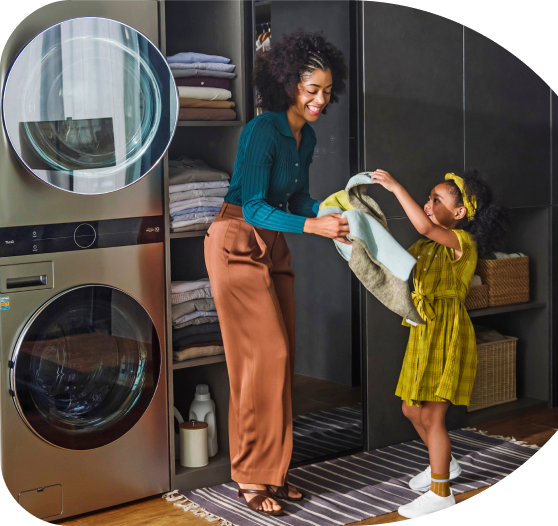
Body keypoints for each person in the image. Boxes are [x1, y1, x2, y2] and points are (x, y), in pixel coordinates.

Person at [204, 30, 349, 516]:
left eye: (327, 91)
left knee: (281, 360)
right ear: (289, 83)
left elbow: (297, 198)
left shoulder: (305, 137)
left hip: (273, 244)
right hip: (235, 240)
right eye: (311, 90)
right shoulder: (263, 130)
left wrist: (335, 211)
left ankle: (276, 473)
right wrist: (315, 226)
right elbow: (255, 207)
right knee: (262, 358)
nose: (319, 100)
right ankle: (250, 476)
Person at [369, 168, 509, 518]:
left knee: (433, 416)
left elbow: (426, 225)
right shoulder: (425, 246)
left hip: (447, 332)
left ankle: (441, 493)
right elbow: (396, 263)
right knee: (410, 408)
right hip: (423, 329)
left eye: (436, 199)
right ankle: (445, 463)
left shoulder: (463, 243)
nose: (428, 204)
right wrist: (358, 237)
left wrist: (395, 187)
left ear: (459, 213)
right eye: (428, 198)